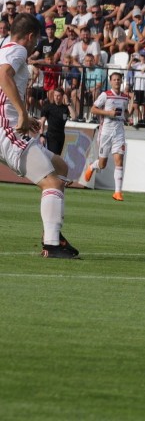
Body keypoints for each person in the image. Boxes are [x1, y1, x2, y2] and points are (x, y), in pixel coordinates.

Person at [0, 14, 78, 257]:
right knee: (52, 182)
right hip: (8, 130)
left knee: (60, 166)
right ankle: (52, 245)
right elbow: (4, 75)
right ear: (31, 37)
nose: (35, 47)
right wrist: (22, 114)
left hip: (11, 125)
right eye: (36, 41)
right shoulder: (19, 50)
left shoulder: (4, 46)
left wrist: (24, 115)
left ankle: (52, 233)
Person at [83, 72, 129, 201]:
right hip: (106, 131)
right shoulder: (105, 95)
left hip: (119, 131)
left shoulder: (125, 98)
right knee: (103, 164)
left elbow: (126, 113)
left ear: (121, 81)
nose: (117, 82)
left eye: (119, 79)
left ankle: (118, 192)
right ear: (110, 82)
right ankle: (92, 166)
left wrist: (128, 115)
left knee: (119, 160)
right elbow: (93, 109)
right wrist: (108, 113)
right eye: (114, 80)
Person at [39, 87, 71, 155]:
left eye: (58, 96)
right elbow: (42, 121)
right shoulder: (48, 107)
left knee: (57, 157)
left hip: (61, 136)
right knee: (54, 157)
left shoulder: (65, 108)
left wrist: (68, 103)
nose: (56, 97)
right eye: (55, 95)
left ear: (62, 96)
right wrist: (41, 135)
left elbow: (74, 116)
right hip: (51, 136)